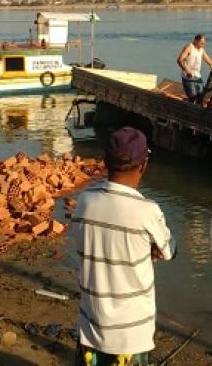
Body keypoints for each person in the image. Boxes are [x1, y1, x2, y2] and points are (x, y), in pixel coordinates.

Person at [71, 127, 176, 365]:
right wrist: (149, 249)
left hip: (90, 326)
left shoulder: (85, 200)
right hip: (132, 336)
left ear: (106, 162)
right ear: (143, 165)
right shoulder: (147, 211)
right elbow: (170, 251)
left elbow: (82, 240)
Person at [177, 34, 212, 104]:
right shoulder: (189, 47)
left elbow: (209, 61)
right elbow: (179, 60)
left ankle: (199, 110)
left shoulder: (201, 50)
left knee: (201, 95)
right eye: (201, 43)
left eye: (204, 43)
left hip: (197, 76)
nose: (203, 45)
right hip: (188, 76)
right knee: (193, 96)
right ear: (196, 41)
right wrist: (186, 71)